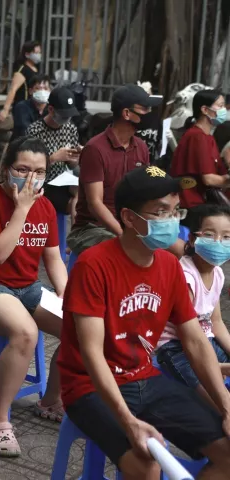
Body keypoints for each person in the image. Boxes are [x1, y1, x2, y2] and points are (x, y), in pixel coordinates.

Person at [59, 165, 230, 480]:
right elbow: (92, 353)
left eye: (175, 212)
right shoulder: (93, 265)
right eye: (161, 212)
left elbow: (195, 340)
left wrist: (226, 405)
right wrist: (128, 421)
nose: (172, 221)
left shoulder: (169, 266)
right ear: (128, 217)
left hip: (145, 378)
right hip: (88, 386)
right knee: (147, 465)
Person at [0, 137, 67, 457]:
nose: (31, 178)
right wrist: (21, 209)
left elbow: (54, 258)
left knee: (82, 327)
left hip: (28, 286)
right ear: (6, 169)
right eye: (22, 169)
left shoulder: (46, 207)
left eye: (39, 172)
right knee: (25, 333)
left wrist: (67, 295)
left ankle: (51, 400)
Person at [67, 84, 160, 256]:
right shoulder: (95, 149)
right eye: (145, 109)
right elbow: (95, 204)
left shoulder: (141, 147)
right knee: (129, 251)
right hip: (92, 228)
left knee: (171, 248)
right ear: (127, 113)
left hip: (129, 224)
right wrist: (124, 234)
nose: (150, 113)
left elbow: (144, 192)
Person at [156, 204, 230, 407]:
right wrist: (216, 367)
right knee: (220, 404)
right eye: (210, 235)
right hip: (177, 347)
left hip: (207, 340)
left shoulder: (217, 273)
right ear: (192, 239)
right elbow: (189, 336)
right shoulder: (185, 276)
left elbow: (216, 322)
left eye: (226, 237)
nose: (219, 242)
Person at [26, 87, 81, 219]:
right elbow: (28, 165)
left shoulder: (70, 129)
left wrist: (74, 159)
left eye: (69, 115)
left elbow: (73, 166)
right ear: (51, 109)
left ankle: (78, 231)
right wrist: (52, 158)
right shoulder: (35, 131)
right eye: (63, 115)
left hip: (64, 179)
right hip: (43, 182)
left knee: (82, 192)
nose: (66, 119)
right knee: (71, 201)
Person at [170, 89, 229, 209]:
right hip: (191, 204)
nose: (224, 110)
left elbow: (220, 171)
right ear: (205, 110)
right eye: (220, 106)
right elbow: (209, 179)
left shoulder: (208, 137)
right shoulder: (197, 137)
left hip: (201, 201)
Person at [0, 41, 42, 123]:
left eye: (39, 52)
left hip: (33, 107)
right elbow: (13, 89)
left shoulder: (36, 69)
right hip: (23, 108)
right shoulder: (22, 70)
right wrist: (5, 110)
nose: (38, 55)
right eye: (36, 53)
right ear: (27, 54)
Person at [10, 74, 51, 140]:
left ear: (50, 91)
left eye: (45, 88)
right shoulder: (22, 107)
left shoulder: (52, 108)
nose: (42, 92)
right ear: (30, 91)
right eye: (38, 88)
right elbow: (26, 131)